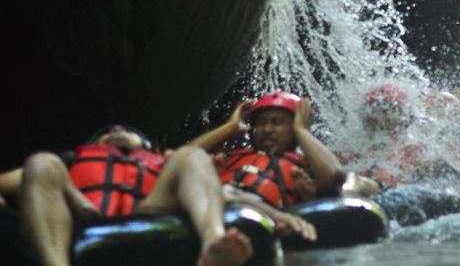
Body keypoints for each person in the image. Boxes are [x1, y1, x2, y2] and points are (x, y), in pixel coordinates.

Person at [0, 124, 253, 266]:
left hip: (151, 209)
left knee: (193, 156)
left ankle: (214, 245)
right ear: (93, 146)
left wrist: (272, 214)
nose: (116, 130)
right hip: (82, 211)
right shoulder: (71, 161)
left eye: (126, 130)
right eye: (107, 133)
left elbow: (219, 192)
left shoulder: (165, 163)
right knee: (42, 162)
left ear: (146, 146)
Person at [190, 91, 346, 209]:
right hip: (214, 207)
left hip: (262, 217)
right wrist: (230, 128)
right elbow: (182, 158)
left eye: (277, 122)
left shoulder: (305, 169)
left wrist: (301, 130)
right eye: (261, 123)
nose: (267, 129)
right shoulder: (233, 156)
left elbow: (334, 177)